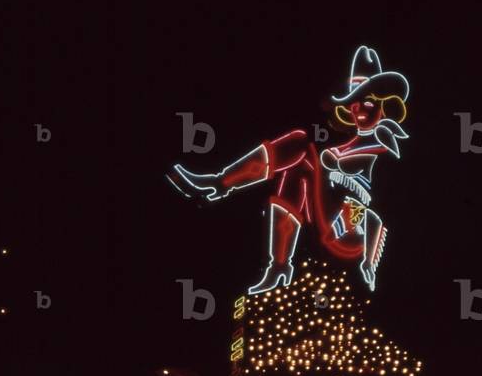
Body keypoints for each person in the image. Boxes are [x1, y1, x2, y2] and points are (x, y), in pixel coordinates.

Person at [168, 46, 410, 295]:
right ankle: (279, 267)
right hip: (332, 214)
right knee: (296, 171)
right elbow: (331, 161)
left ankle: (219, 184)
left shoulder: (381, 141)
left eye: (367, 102)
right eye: (355, 103)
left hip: (350, 227)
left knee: (300, 143)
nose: (358, 109)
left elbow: (353, 173)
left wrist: (369, 262)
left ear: (384, 106)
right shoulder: (352, 140)